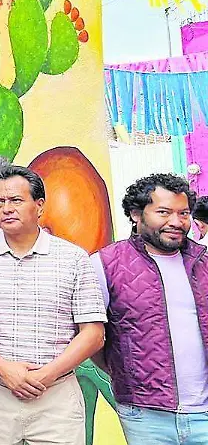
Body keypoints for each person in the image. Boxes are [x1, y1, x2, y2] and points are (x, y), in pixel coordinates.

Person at [0, 165, 106, 445]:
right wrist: (3, 368)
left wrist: (47, 374)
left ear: (39, 205)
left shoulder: (73, 258)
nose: (6, 209)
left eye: (16, 200)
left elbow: (93, 334)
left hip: (57, 397)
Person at [91, 173, 208, 444]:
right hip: (145, 415)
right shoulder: (105, 264)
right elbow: (91, 335)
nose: (176, 222)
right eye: (163, 212)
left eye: (183, 213)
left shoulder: (204, 262)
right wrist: (126, 373)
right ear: (136, 214)